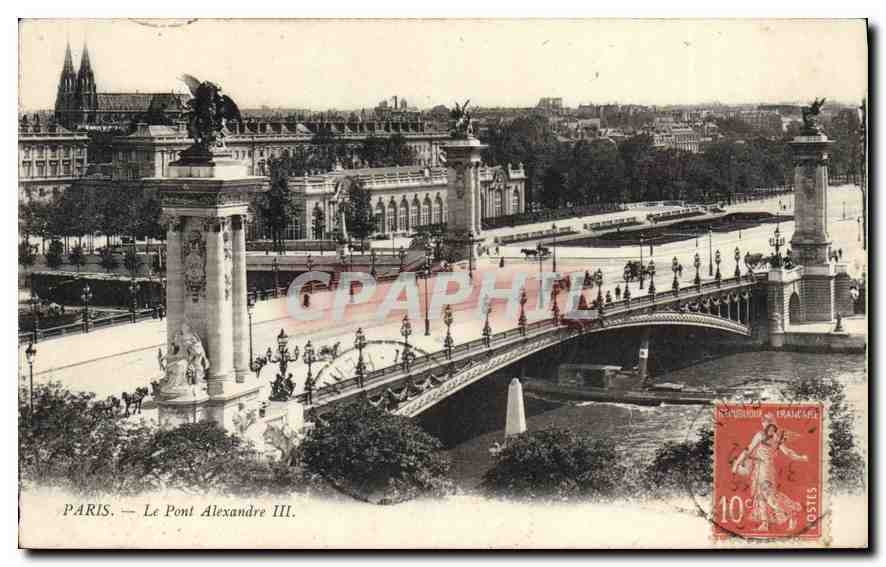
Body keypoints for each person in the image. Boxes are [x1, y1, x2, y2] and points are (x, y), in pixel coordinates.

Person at [732, 414, 808, 532]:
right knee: (761, 496)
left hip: (765, 470)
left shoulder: (769, 437)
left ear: (772, 424)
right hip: (760, 469)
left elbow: (749, 449)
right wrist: (737, 463)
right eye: (764, 422)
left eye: (768, 422)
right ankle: (764, 524)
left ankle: (790, 514)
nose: (765, 424)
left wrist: (801, 458)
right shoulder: (767, 436)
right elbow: (749, 450)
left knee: (768, 497)